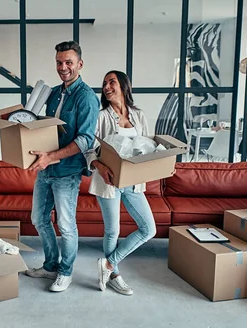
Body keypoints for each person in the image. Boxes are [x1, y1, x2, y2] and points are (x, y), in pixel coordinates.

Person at [24, 41, 100, 292]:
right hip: (45, 168)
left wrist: (52, 156)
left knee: (66, 225)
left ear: (80, 64)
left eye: (69, 62)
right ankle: (50, 266)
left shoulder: (86, 97)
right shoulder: (54, 92)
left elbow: (85, 139)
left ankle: (66, 272)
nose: (63, 67)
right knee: (39, 218)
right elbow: (45, 128)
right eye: (59, 62)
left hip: (67, 171)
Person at [84, 70, 158, 296]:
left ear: (124, 86)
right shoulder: (100, 117)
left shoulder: (139, 115)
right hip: (108, 181)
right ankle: (114, 275)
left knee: (149, 229)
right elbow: (88, 149)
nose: (106, 86)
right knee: (112, 231)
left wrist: (162, 162)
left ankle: (108, 264)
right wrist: (100, 166)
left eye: (112, 82)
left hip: (133, 182)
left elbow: (149, 146)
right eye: (104, 83)